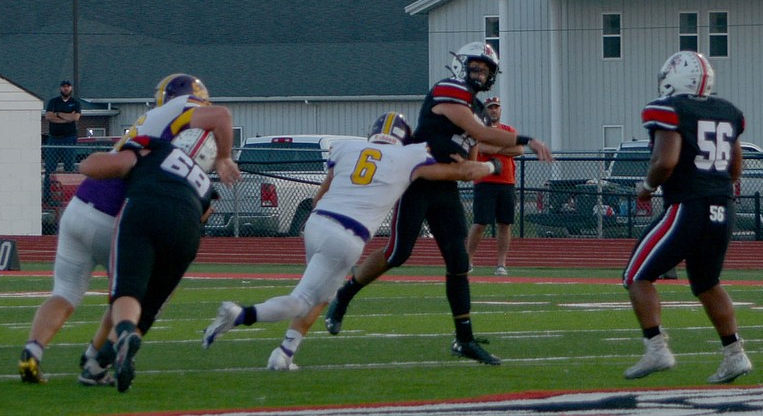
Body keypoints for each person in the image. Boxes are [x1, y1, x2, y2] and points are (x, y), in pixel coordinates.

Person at [201, 111, 497, 369]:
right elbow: (461, 172)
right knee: (301, 301)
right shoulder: (410, 157)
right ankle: (240, 315)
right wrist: (491, 165)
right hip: (346, 237)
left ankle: (285, 353)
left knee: (320, 294)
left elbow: (322, 191)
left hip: (317, 223)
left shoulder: (347, 147)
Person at [324, 42, 553, 365]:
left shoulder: (474, 107)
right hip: (418, 180)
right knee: (398, 253)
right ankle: (344, 296)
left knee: (458, 262)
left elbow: (471, 159)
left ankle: (464, 339)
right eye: (475, 67)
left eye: (485, 70)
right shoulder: (448, 90)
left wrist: (477, 164)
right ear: (461, 66)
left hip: (444, 187)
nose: (479, 74)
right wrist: (527, 141)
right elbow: (476, 130)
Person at [80, 73, 240, 393]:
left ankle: (121, 333)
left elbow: (101, 165)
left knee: (127, 290)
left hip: (144, 209)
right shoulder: (207, 184)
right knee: (152, 302)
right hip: (187, 230)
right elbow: (205, 215)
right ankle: (110, 350)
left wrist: (89, 164)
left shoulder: (158, 147)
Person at [622, 51, 752, 383]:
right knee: (708, 283)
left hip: (687, 205)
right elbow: (736, 168)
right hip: (723, 207)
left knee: (636, 275)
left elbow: (666, 161)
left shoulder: (668, 109)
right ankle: (735, 354)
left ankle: (656, 348)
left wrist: (647, 187)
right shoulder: (728, 112)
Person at [18, 175, 127, 385]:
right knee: (126, 295)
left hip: (77, 208)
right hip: (112, 221)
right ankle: (94, 359)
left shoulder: (129, 142)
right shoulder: (166, 152)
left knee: (64, 292)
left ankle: (32, 352)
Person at [466, 96, 522, 276]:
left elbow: (519, 149)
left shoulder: (508, 130)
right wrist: (503, 148)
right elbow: (483, 149)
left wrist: (497, 149)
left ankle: (501, 264)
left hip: (507, 182)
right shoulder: (480, 130)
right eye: (490, 107)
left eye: (496, 107)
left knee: (504, 224)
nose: (494, 110)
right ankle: (467, 261)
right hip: (485, 182)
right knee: (480, 222)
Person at [43, 80, 82, 200]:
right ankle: (47, 196)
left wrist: (58, 114)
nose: (66, 89)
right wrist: (66, 117)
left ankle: (67, 196)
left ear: (71, 88)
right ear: (60, 88)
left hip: (69, 139)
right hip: (54, 139)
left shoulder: (75, 103)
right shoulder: (53, 102)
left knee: (69, 167)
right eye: (63, 87)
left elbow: (75, 117)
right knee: (50, 168)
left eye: (68, 87)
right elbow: (48, 116)